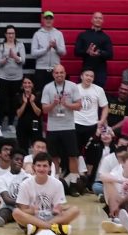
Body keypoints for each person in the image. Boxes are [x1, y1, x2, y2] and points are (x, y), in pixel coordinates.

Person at [12, 152, 80, 235]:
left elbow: (57, 209)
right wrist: (32, 211)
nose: (41, 169)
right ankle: (54, 229)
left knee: (75, 210)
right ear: (34, 167)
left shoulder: (57, 184)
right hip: (32, 218)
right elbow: (23, 210)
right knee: (16, 212)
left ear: (50, 168)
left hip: (52, 218)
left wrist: (58, 210)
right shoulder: (25, 184)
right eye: (39, 165)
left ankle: (37, 228)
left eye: (45, 166)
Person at [41, 65, 82, 196]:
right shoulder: (47, 87)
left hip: (68, 126)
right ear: (53, 74)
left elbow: (79, 106)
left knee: (73, 156)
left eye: (61, 72)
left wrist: (66, 104)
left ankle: (74, 185)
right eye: (57, 73)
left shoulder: (72, 86)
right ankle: (56, 182)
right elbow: (44, 109)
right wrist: (54, 103)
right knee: (53, 156)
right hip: (53, 127)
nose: (59, 75)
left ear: (65, 73)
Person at [0, 148, 30, 226]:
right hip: (9, 207)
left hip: (25, 208)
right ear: (10, 160)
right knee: (4, 212)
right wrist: (21, 203)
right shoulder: (2, 178)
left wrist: (23, 205)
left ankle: (24, 221)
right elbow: (7, 200)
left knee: (27, 212)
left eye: (21, 160)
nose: (19, 162)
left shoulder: (28, 177)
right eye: (17, 159)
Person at [0, 25, 26, 132]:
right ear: (5, 34)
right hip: (3, 78)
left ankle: (11, 123)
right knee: (3, 100)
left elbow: (23, 60)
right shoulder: (1, 46)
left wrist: (15, 57)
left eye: (12, 33)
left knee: (14, 102)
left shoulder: (20, 45)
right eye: (9, 33)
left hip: (17, 78)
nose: (11, 35)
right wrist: (6, 58)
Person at [74, 12, 113, 88]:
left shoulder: (106, 37)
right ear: (91, 20)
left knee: (98, 96)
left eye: (100, 18)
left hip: (100, 73)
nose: (98, 20)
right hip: (85, 71)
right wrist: (86, 52)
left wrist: (100, 53)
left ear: (103, 21)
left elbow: (110, 55)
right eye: (96, 18)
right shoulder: (83, 35)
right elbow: (76, 52)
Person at [75, 68, 109, 152]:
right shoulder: (74, 88)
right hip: (75, 123)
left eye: (91, 76)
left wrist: (102, 121)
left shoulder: (99, 90)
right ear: (81, 76)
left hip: (92, 125)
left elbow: (105, 107)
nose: (89, 78)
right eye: (87, 75)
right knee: (75, 151)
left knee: (90, 151)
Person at [31, 11, 66, 93]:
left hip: (56, 70)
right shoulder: (37, 34)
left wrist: (56, 47)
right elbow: (33, 53)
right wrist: (46, 49)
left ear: (53, 20)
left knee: (55, 94)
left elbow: (63, 52)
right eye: (46, 18)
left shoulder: (59, 34)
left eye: (50, 18)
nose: (48, 20)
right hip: (41, 70)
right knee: (40, 94)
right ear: (43, 20)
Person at [15, 76, 42, 152]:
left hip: (35, 124)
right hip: (22, 124)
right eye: (25, 83)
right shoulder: (18, 96)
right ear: (22, 85)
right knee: (22, 148)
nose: (27, 85)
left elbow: (38, 113)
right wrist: (25, 102)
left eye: (29, 83)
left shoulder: (38, 95)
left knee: (37, 146)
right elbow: (19, 114)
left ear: (33, 84)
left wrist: (32, 102)